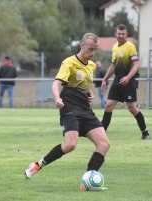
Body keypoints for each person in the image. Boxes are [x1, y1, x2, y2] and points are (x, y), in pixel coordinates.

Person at [24, 33, 110, 190]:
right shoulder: (69, 63)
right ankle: (37, 165)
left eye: (96, 50)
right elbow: (56, 84)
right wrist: (57, 98)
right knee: (70, 144)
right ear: (82, 46)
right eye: (90, 49)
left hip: (85, 109)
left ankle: (87, 181)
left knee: (104, 144)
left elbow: (83, 85)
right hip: (69, 107)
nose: (93, 53)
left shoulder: (91, 65)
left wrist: (88, 93)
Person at [100, 24, 151, 140]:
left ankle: (145, 133)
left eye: (123, 34)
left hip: (128, 81)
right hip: (117, 80)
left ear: (126, 35)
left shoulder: (130, 47)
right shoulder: (114, 47)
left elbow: (136, 65)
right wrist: (105, 79)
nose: (121, 36)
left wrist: (128, 77)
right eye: (119, 33)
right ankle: (101, 134)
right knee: (108, 106)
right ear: (115, 34)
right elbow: (113, 65)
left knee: (132, 108)